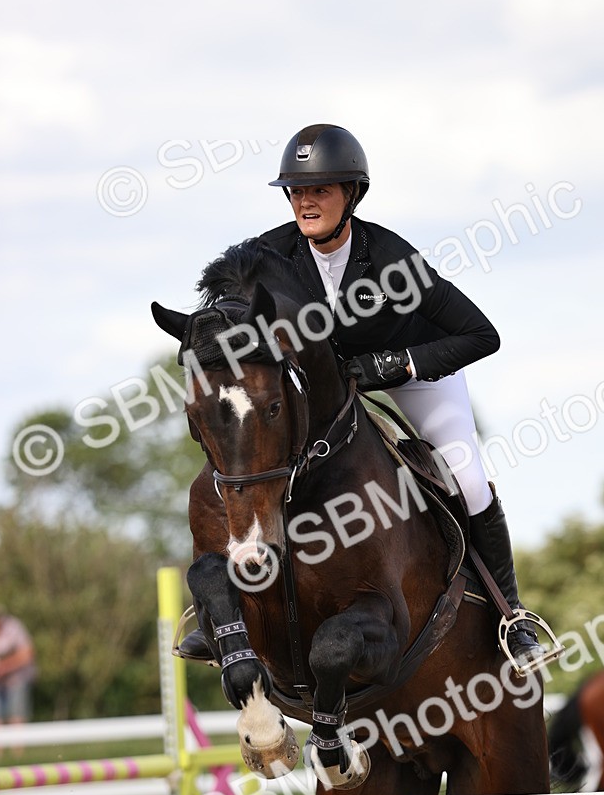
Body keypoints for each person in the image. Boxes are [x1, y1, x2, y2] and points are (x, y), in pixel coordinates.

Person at [182, 123, 559, 675]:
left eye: (320, 191)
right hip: (326, 386)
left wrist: (396, 363)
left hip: (413, 371)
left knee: (466, 473)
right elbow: (231, 308)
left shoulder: (390, 259)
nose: (305, 202)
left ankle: (512, 617)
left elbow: (482, 335)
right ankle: (222, 612)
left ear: (351, 195)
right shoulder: (272, 254)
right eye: (297, 192)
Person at [0, 607, 36, 726]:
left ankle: (17, 744)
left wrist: (4, 667)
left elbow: (27, 653)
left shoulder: (14, 627)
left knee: (17, 716)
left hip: (17, 678)